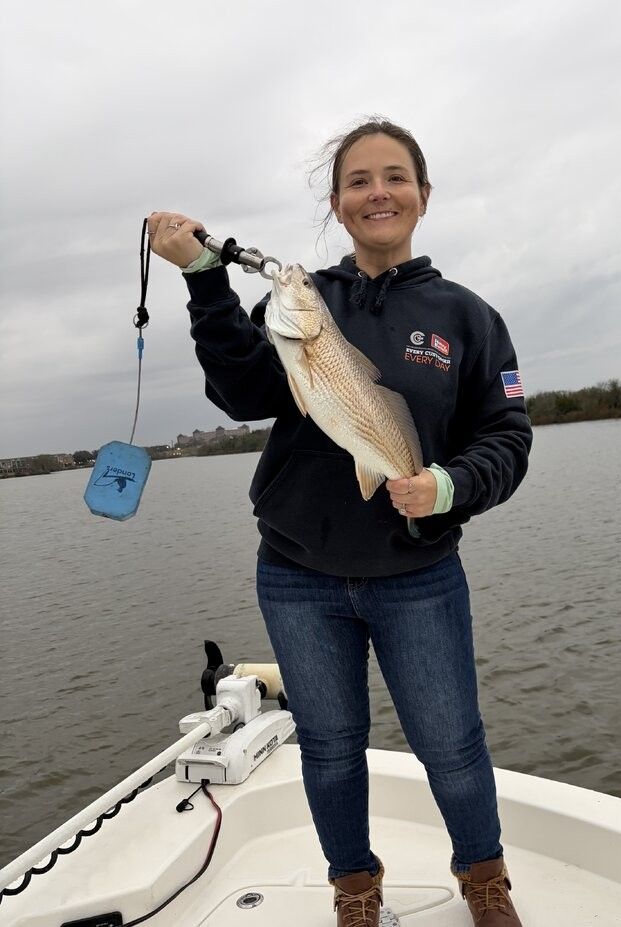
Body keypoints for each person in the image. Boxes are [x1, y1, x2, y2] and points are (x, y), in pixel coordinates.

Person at [148, 116, 532, 927]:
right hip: (297, 573)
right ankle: (354, 888)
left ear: (424, 196)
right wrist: (206, 282)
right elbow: (247, 396)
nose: (378, 192)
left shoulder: (469, 317)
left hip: (419, 573)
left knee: (454, 748)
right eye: (359, 181)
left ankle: (484, 880)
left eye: (395, 176)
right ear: (338, 202)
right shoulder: (304, 302)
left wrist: (450, 485)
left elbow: (506, 435)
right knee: (328, 749)